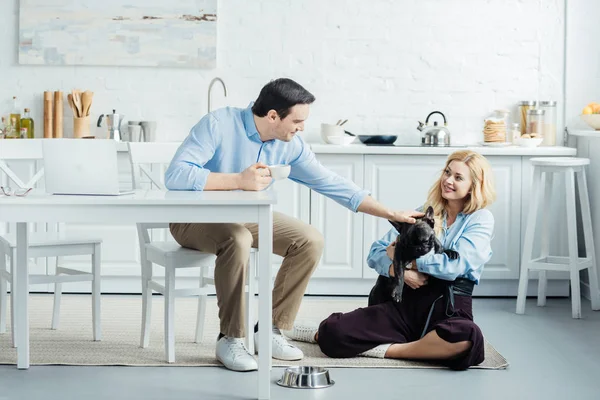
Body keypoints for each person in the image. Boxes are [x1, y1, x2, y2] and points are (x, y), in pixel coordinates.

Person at [164, 78, 423, 372]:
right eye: (297, 121)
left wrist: (390, 212)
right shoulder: (218, 124)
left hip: (244, 216)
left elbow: (331, 183)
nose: (302, 128)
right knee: (237, 238)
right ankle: (230, 338)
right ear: (273, 115)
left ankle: (271, 329)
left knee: (309, 240)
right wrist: (238, 181)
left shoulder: (290, 145)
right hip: (193, 218)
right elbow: (176, 175)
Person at [286, 150, 496, 370]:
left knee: (468, 338)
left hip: (450, 307)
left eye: (458, 177)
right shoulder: (423, 212)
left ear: (475, 186)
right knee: (332, 333)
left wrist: (409, 263)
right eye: (447, 172)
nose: (448, 180)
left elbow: (455, 266)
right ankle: (422, 348)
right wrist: (398, 272)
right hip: (403, 304)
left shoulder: (480, 218)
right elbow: (376, 252)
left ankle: (388, 349)